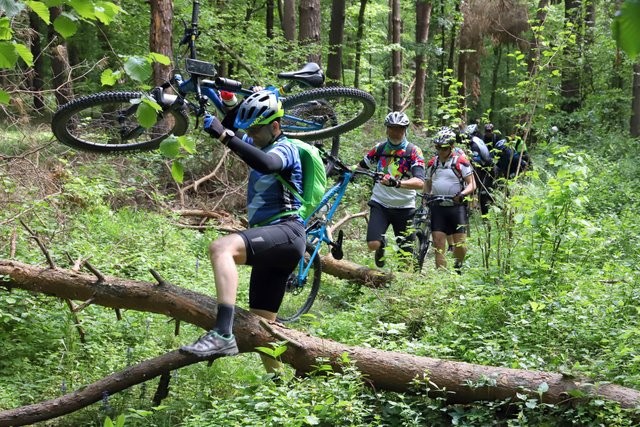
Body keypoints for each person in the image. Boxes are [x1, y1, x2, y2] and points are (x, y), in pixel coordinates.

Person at [180, 90, 306, 371]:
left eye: (257, 130)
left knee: (221, 247)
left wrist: (226, 137)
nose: (252, 135)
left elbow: (266, 163)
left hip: (287, 232)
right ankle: (280, 388)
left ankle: (222, 334)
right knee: (263, 328)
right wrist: (225, 104)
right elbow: (234, 130)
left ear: (275, 126)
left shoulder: (285, 148)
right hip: (274, 246)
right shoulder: (258, 140)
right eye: (249, 130)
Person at [353, 111, 425, 268]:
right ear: (386, 129)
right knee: (373, 244)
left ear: (405, 129)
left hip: (405, 207)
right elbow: (359, 168)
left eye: (400, 128)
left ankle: (400, 287)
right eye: (392, 128)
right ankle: (381, 247)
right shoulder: (379, 149)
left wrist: (397, 183)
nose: (396, 132)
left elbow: (420, 182)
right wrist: (341, 170)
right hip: (381, 204)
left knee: (405, 259)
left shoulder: (413, 151)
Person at [424, 127, 476, 273]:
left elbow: (472, 184)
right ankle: (441, 276)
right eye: (438, 147)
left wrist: (462, 194)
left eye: (444, 148)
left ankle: (458, 266)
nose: (440, 151)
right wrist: (426, 196)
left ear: (451, 147)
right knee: (438, 243)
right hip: (438, 206)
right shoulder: (432, 163)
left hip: (456, 206)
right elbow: (427, 182)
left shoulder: (461, 162)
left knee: (460, 245)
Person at [463, 124, 494, 215]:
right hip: (486, 167)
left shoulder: (474, 145)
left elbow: (476, 163)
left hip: (486, 170)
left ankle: (485, 217)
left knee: (482, 193)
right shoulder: (477, 139)